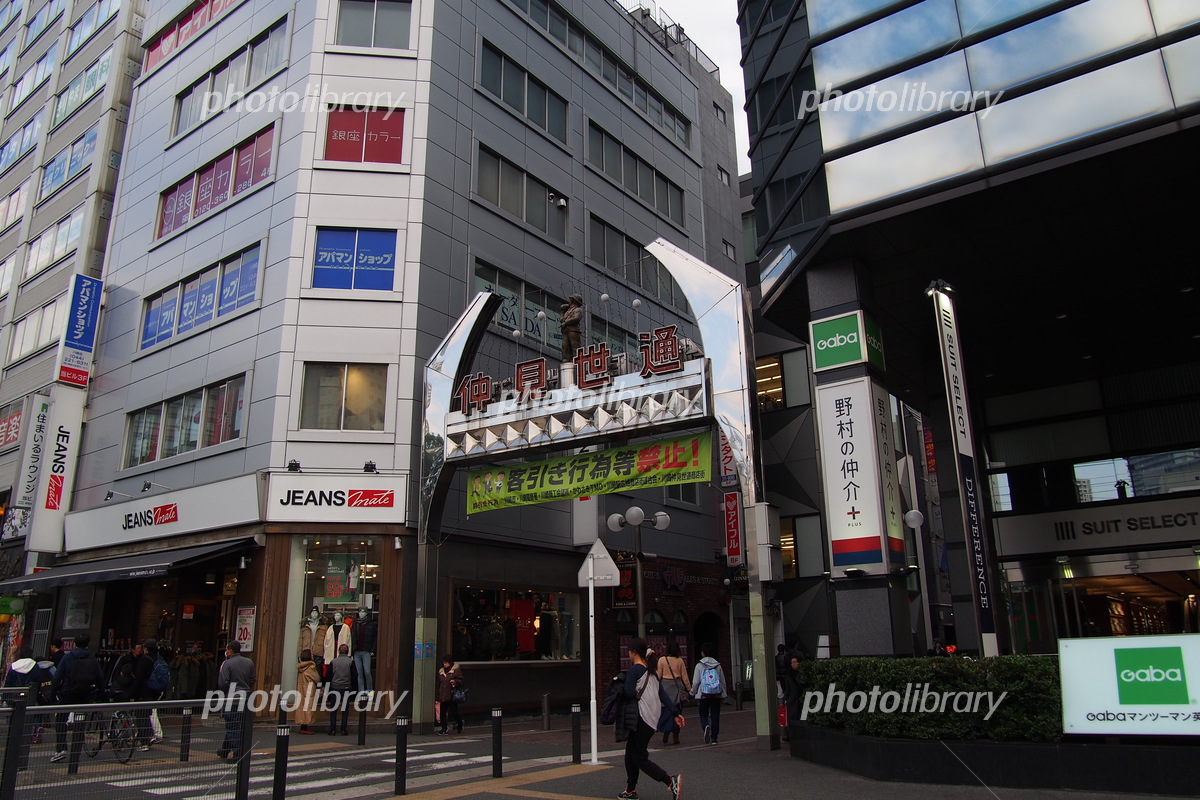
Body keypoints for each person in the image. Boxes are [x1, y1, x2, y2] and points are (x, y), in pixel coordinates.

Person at [619, 638, 683, 800]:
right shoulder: (651, 672)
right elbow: (663, 695)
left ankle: (670, 780)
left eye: (629, 651)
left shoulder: (634, 671)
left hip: (641, 718)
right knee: (630, 754)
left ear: (633, 653)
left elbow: (627, 693)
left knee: (639, 757)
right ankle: (630, 790)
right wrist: (676, 713)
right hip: (651, 720)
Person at [50, 633, 104, 762]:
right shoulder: (92, 658)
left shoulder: (68, 657)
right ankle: (76, 751)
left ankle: (61, 748)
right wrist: (101, 693)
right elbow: (100, 677)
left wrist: (53, 694)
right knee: (80, 721)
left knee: (61, 719)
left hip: (68, 692)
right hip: (85, 694)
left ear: (74, 643)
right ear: (88, 644)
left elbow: (57, 676)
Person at [216, 640, 256, 761]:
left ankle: (238, 752)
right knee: (239, 723)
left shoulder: (227, 664)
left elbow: (222, 683)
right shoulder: (249, 662)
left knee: (232, 724)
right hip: (246, 696)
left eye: (227, 649)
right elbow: (253, 679)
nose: (226, 652)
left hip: (232, 697)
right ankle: (225, 750)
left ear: (230, 650)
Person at [690, 642, 727, 745]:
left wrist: (692, 692)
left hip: (704, 693)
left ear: (702, 653)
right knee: (715, 714)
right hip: (716, 693)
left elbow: (696, 681)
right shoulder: (717, 665)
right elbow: (722, 680)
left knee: (703, 713)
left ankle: (705, 726)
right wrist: (724, 694)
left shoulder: (699, 665)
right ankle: (714, 737)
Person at [655, 641, 691, 745]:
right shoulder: (680, 661)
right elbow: (685, 677)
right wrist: (689, 689)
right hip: (676, 686)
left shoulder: (662, 660)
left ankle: (666, 729)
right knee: (677, 710)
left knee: (666, 710)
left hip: (665, 687)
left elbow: (658, 675)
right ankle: (676, 735)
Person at [326, 643, 357, 735]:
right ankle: (343, 729)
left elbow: (328, 676)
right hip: (346, 687)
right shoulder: (350, 662)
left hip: (335, 687)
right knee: (345, 709)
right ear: (347, 652)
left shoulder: (333, 661)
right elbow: (355, 675)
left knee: (333, 709)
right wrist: (354, 688)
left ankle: (333, 729)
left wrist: (328, 688)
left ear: (339, 651)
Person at [435, 655, 464, 735]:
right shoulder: (441, 672)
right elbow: (439, 684)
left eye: (446, 663)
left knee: (454, 712)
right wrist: (437, 696)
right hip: (443, 695)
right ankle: (444, 729)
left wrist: (455, 682)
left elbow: (460, 680)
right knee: (442, 713)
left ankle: (460, 723)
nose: (445, 665)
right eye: (444, 663)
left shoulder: (456, 670)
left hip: (451, 695)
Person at [296, 649, 321, 734]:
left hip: (301, 689)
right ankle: (306, 726)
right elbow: (317, 678)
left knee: (302, 707)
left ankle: (303, 726)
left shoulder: (300, 667)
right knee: (308, 707)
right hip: (309, 689)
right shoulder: (311, 667)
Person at [559, 294, 583, 362]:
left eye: (571, 299)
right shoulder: (568, 311)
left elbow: (576, 318)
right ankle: (566, 360)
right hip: (566, 330)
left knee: (575, 346)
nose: (569, 301)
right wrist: (562, 312)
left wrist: (566, 323)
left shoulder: (578, 310)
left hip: (573, 330)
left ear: (574, 301)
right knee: (565, 347)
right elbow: (561, 320)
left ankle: (577, 361)